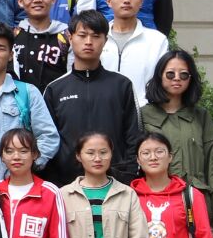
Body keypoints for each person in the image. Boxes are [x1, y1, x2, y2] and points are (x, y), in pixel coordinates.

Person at [43, 11, 143, 186]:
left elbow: (134, 135)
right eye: (82, 35)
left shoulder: (122, 85)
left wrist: (128, 175)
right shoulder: (55, 89)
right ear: (70, 37)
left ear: (105, 40)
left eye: (96, 36)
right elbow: (47, 139)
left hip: (116, 183)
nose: (88, 42)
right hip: (67, 185)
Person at [141, 49, 213, 231]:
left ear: (191, 79)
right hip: (155, 204)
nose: (177, 79)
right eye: (170, 74)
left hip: (196, 202)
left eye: (184, 74)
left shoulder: (201, 116)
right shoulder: (143, 116)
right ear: (159, 76)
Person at [0, 25, 58, 179]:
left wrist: (27, 169)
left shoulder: (27, 93)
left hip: (15, 186)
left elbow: (48, 137)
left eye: (1, 48)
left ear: (10, 55)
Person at [98, 0, 169, 101]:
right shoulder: (96, 38)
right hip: (101, 109)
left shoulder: (157, 41)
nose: (126, 0)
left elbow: (160, 82)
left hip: (143, 110)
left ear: (141, 1)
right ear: (109, 1)